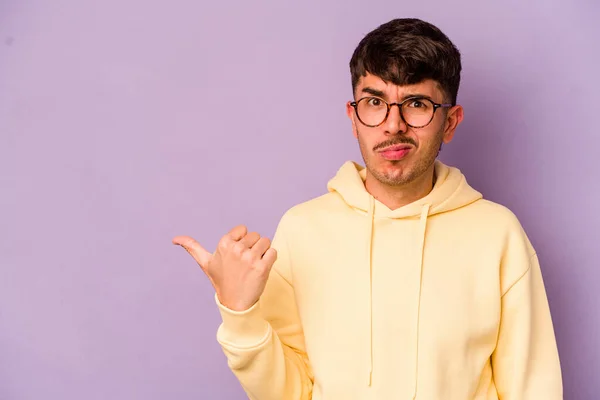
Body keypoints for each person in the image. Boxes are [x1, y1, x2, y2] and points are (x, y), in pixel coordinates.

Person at [173, 18, 563, 400]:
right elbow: (288, 393)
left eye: (416, 103)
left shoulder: (498, 234)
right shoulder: (302, 230)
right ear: (353, 117)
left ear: (450, 122)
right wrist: (239, 313)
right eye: (375, 102)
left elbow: (534, 389)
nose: (393, 125)